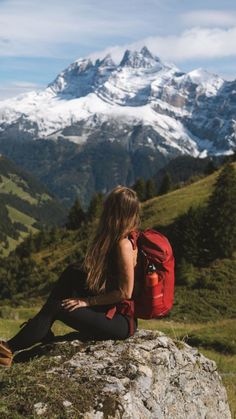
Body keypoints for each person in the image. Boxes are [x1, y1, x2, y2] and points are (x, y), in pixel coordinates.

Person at [0, 185, 142, 367]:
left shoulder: (124, 245)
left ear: (115, 212)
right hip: (112, 309)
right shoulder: (123, 236)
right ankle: (41, 327)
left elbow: (125, 293)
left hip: (120, 322)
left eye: (108, 206)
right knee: (73, 272)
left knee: (58, 307)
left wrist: (88, 302)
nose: (103, 208)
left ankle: (8, 350)